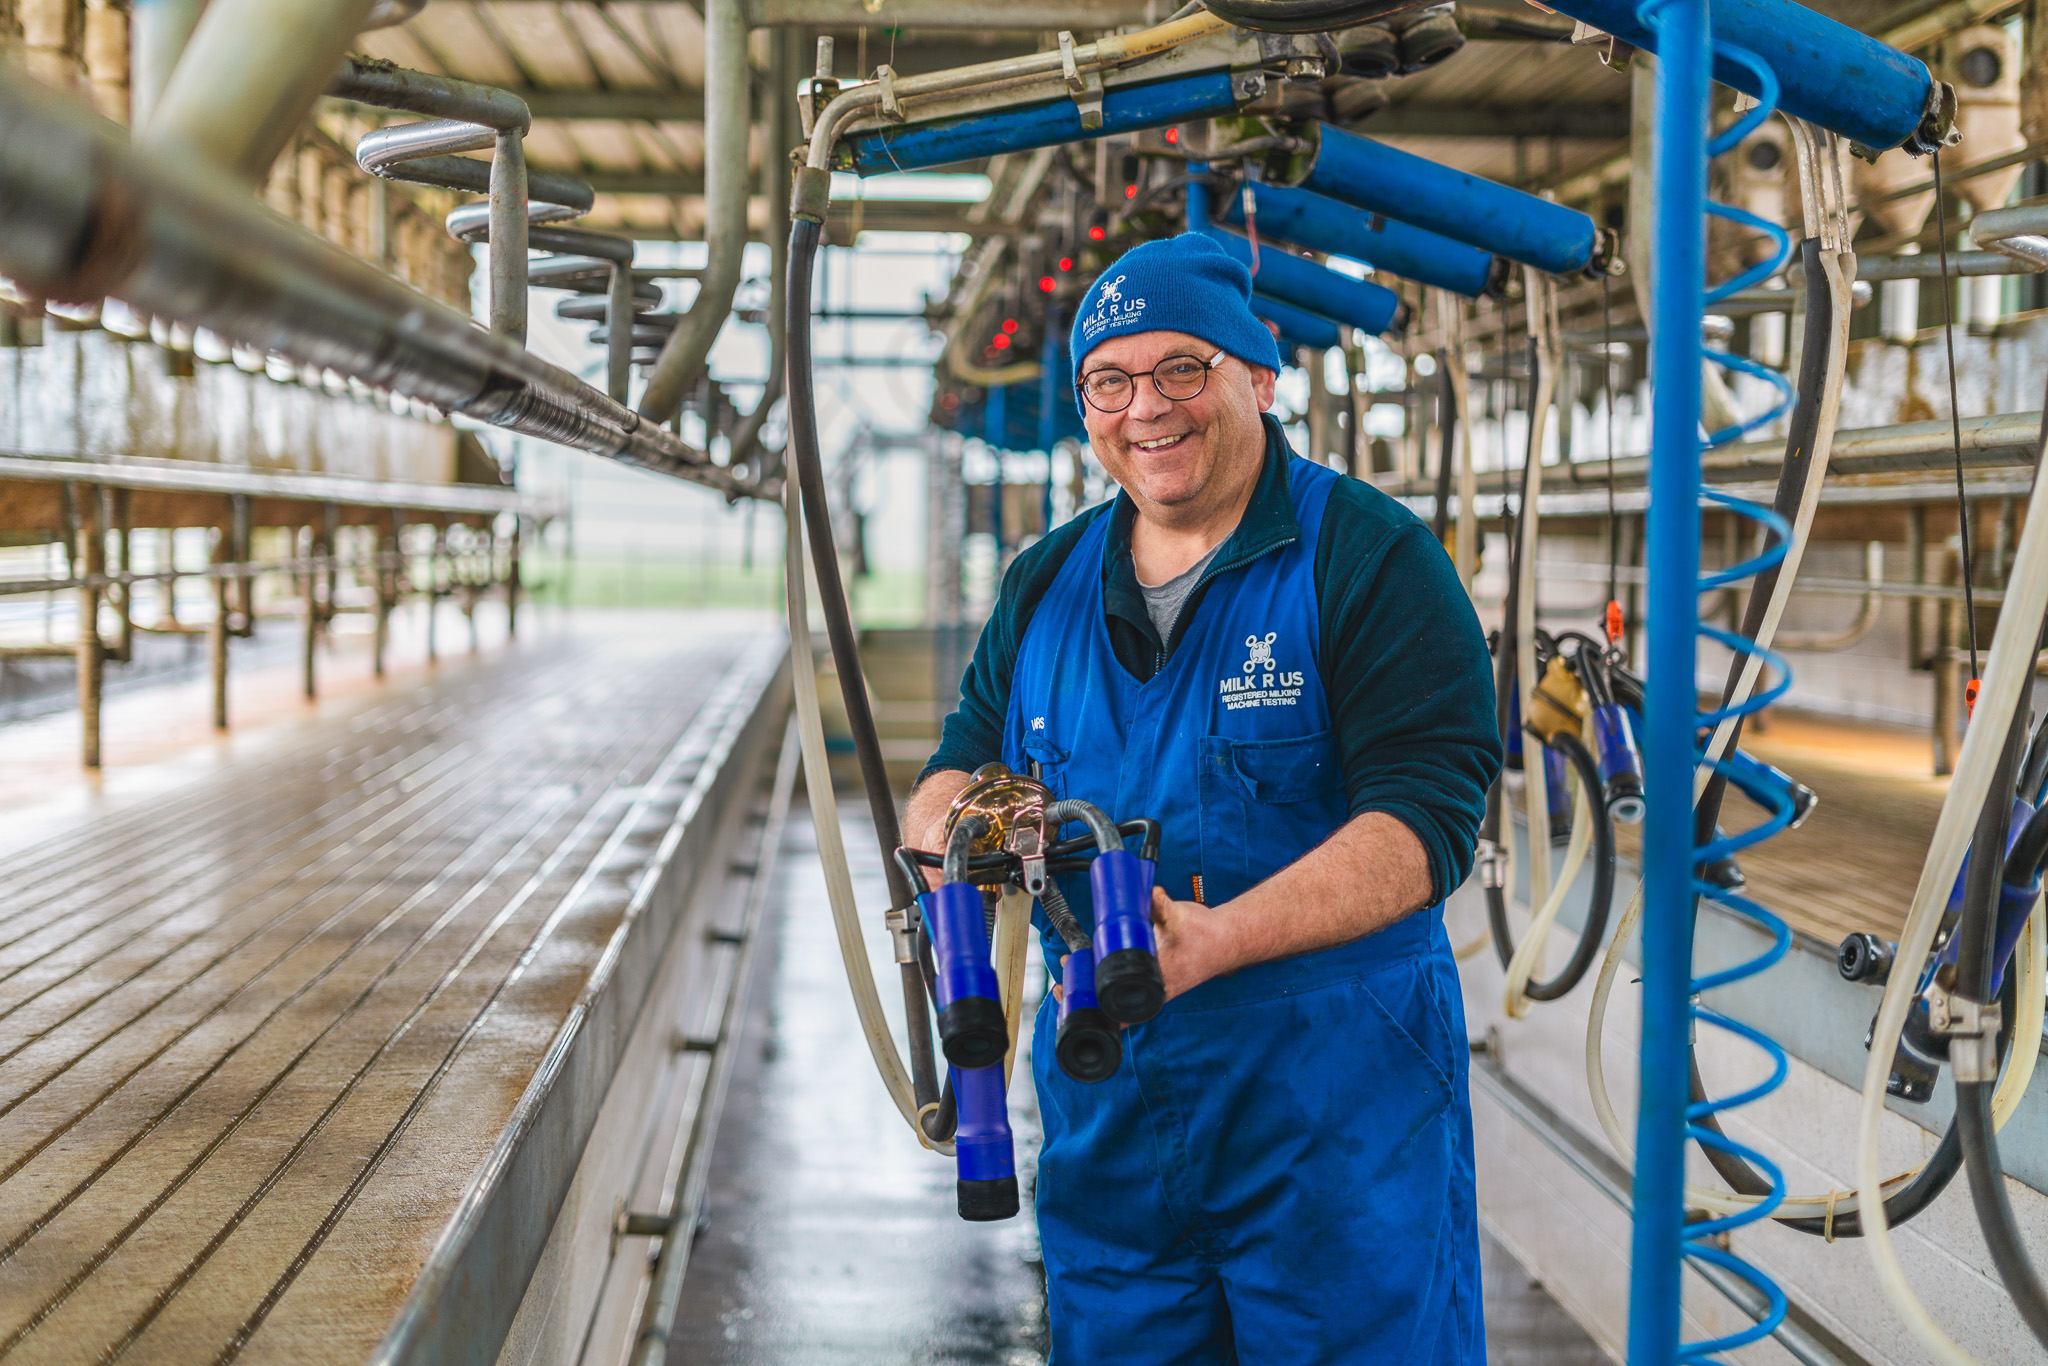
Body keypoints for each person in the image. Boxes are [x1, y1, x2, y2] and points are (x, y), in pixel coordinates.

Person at [906, 232, 1500, 1364]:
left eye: (1182, 368)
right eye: (1109, 380)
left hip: (1331, 1127)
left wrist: (1219, 939)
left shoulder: (1365, 556)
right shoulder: (1045, 582)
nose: (1146, 409)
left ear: (1258, 379)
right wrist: (952, 826)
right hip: (1110, 1121)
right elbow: (953, 764)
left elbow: (1425, 822)